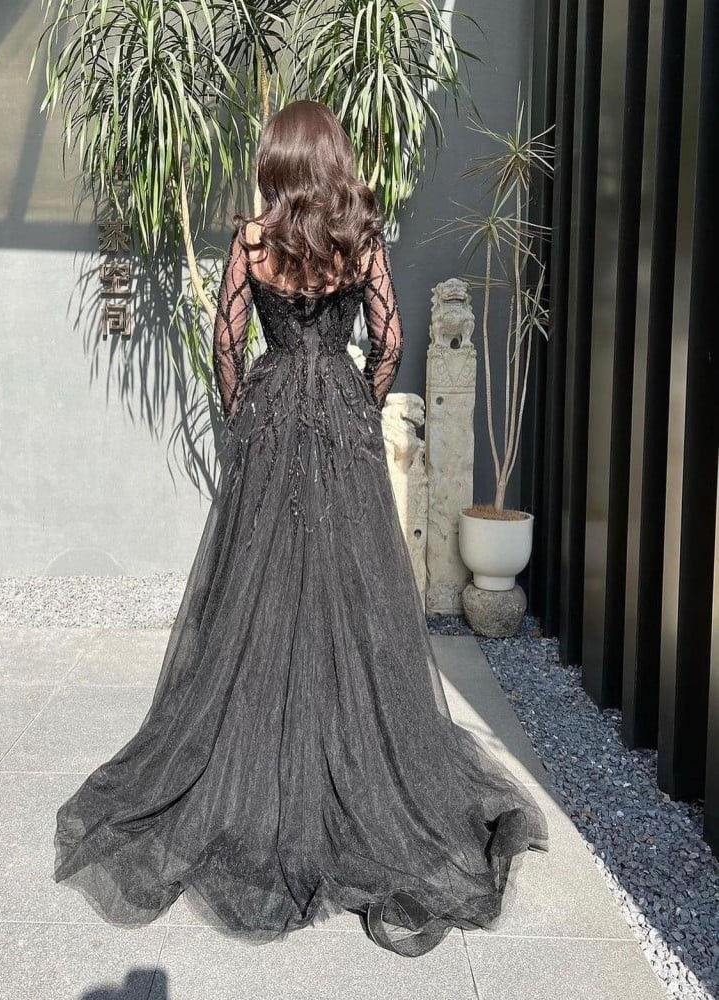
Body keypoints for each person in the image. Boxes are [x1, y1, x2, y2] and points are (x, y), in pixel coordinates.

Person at [52, 99, 549, 958]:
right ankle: (358, 757)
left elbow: (225, 344)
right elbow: (389, 340)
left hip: (274, 417)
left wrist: (248, 415)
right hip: (339, 425)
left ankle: (257, 753)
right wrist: (353, 403)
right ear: (334, 158)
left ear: (277, 160)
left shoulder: (253, 239)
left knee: (261, 593)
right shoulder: (361, 234)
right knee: (354, 594)